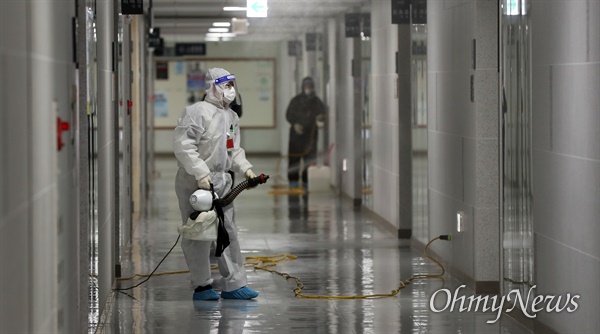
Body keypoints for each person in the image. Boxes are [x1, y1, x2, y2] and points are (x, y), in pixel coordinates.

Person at [173, 68, 259, 301]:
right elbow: (183, 146)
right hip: (195, 182)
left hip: (222, 181)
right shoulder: (197, 112)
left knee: (227, 230)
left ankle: (235, 284)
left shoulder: (231, 117)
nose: (231, 90)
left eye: (233, 85)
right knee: (199, 232)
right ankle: (202, 286)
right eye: (226, 85)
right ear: (213, 86)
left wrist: (246, 168)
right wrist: (200, 173)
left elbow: (234, 149)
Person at [286, 77, 326, 188]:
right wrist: (295, 124)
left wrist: (321, 117)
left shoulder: (316, 102)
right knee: (294, 159)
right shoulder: (296, 100)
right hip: (296, 135)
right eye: (306, 85)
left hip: (310, 136)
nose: (307, 87)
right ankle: (293, 181)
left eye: (309, 85)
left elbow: (323, 113)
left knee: (309, 159)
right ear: (302, 86)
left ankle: (306, 180)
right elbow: (288, 114)